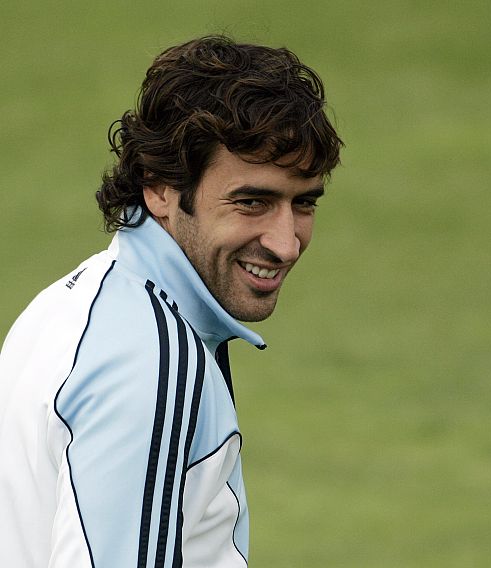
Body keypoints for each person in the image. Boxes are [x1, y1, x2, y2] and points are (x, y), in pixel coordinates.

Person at [0, 35, 343, 567]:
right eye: (251, 201)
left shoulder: (75, 301)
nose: (286, 241)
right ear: (159, 187)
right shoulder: (155, 364)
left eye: (303, 204)